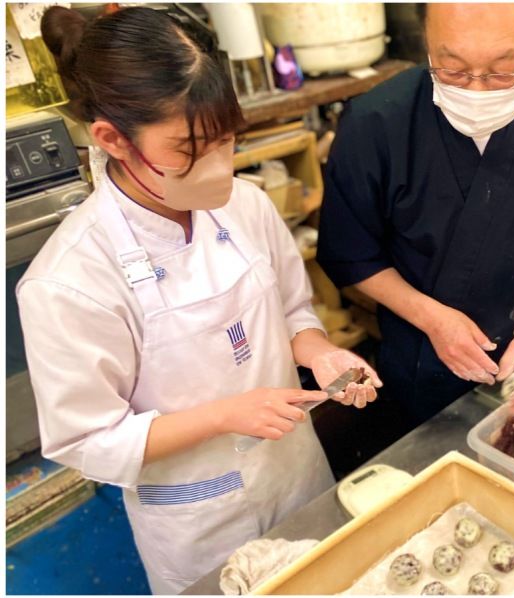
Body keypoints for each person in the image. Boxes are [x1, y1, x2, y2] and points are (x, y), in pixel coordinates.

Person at [19, 6, 380, 594]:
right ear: (113, 138)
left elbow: (292, 308)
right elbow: (86, 438)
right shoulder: (70, 279)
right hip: (199, 516)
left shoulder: (248, 205)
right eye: (190, 147)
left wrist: (320, 353)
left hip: (298, 474)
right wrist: (222, 415)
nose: (220, 165)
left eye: (226, 139)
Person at [317, 3, 514, 427]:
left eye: (503, 71)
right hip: (420, 363)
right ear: (427, 39)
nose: (477, 91)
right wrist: (431, 318)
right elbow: (351, 251)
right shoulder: (374, 123)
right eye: (451, 67)